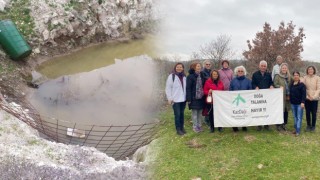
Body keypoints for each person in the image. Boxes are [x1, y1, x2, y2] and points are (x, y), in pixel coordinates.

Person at [165, 63, 187, 136]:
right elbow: (168, 88)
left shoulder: (184, 76)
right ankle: (178, 129)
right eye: (178, 67)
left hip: (183, 99)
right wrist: (169, 98)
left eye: (181, 67)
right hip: (175, 99)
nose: (179, 68)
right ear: (175, 68)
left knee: (182, 114)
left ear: (183, 68)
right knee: (177, 115)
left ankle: (182, 127)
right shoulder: (172, 76)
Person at [252, 60, 274, 131]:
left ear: (266, 67)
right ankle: (259, 124)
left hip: (266, 96)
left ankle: (266, 124)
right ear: (259, 66)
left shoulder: (268, 74)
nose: (263, 67)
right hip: (258, 96)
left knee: (266, 109)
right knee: (259, 110)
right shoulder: (255, 74)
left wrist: (271, 85)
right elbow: (252, 83)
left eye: (264, 66)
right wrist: (255, 87)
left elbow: (271, 82)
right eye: (262, 66)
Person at [229, 66, 252, 132]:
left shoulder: (248, 81)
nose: (240, 72)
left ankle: (244, 126)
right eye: (239, 71)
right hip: (235, 100)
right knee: (235, 113)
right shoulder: (233, 81)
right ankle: (235, 126)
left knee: (244, 112)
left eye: (242, 71)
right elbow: (230, 90)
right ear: (236, 72)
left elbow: (250, 89)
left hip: (245, 100)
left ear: (244, 72)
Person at [186, 62, 206, 133]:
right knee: (194, 113)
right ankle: (195, 127)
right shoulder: (190, 77)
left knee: (200, 113)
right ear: (194, 67)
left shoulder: (202, 75)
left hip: (201, 97)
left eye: (200, 66)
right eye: (197, 66)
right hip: (194, 98)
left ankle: (199, 126)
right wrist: (188, 99)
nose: (199, 67)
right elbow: (188, 88)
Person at [273, 63, 292, 131]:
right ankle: (278, 125)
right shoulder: (277, 76)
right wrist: (279, 86)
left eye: (285, 68)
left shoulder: (289, 76)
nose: (284, 69)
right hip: (280, 96)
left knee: (286, 111)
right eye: (283, 68)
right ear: (281, 68)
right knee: (280, 110)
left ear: (287, 69)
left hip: (287, 97)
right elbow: (275, 84)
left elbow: (295, 81)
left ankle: (284, 124)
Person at [302, 66, 320, 132]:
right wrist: (307, 96)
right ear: (307, 70)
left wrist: (314, 97)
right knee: (307, 112)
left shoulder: (317, 78)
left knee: (314, 113)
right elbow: (303, 88)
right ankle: (308, 125)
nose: (310, 71)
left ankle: (313, 126)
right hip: (307, 98)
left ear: (314, 70)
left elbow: (318, 89)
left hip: (314, 99)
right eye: (309, 69)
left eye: (311, 69)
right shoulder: (305, 78)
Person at [290, 71, 306, 136]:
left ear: (299, 76)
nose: (296, 76)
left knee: (299, 117)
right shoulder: (292, 84)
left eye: (297, 75)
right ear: (293, 76)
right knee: (294, 117)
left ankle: (298, 131)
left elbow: (304, 94)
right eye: (294, 75)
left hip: (299, 104)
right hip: (293, 104)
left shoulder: (302, 85)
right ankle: (296, 128)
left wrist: (303, 102)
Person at [201, 60, 213, 126]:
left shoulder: (211, 72)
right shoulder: (202, 72)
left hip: (212, 91)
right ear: (204, 65)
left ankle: (210, 119)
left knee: (211, 105)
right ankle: (207, 120)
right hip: (206, 91)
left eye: (209, 64)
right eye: (207, 64)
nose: (208, 65)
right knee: (207, 106)